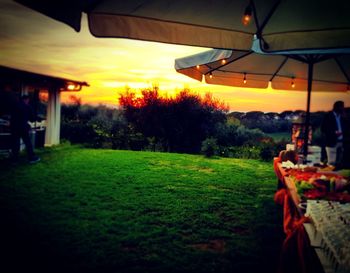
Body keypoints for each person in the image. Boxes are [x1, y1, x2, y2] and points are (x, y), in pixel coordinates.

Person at [10, 94, 40, 164]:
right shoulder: (27, 107)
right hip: (23, 127)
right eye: (28, 100)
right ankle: (31, 158)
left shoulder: (15, 106)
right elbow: (32, 119)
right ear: (26, 100)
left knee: (15, 143)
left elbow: (12, 117)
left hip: (14, 127)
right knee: (27, 142)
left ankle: (15, 159)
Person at [321, 101, 345, 168]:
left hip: (341, 141)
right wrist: (334, 133)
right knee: (331, 162)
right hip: (331, 141)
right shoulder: (328, 116)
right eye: (342, 107)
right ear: (337, 107)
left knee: (339, 162)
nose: (343, 108)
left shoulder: (342, 117)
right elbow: (324, 128)